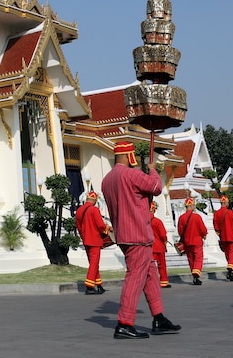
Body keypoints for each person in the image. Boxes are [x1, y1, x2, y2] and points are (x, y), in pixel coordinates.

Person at [101, 141, 180, 340]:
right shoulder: (132, 174)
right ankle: (125, 323)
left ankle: (158, 317)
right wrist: (152, 170)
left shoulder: (107, 179)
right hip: (138, 234)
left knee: (149, 275)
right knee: (135, 277)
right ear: (130, 156)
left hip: (123, 234)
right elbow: (155, 187)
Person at [75, 191, 110, 295]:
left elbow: (79, 227)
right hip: (95, 240)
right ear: (94, 200)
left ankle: (99, 285)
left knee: (93, 264)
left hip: (86, 240)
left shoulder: (79, 210)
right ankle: (89, 286)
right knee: (94, 263)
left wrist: (83, 237)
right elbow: (100, 225)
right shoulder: (94, 210)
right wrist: (108, 228)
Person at [177, 198, 207, 285]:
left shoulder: (181, 218)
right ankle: (196, 273)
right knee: (198, 257)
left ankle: (194, 276)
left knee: (191, 259)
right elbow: (202, 229)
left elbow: (180, 231)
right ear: (191, 206)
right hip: (197, 241)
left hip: (187, 242)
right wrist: (204, 234)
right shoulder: (197, 217)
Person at [213, 195, 233, 282]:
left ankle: (232, 272)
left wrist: (219, 233)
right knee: (232, 253)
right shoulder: (230, 212)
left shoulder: (216, 213)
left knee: (228, 254)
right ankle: (230, 268)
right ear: (225, 203)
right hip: (232, 236)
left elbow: (216, 226)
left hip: (223, 237)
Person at [149, 202, 170, 288]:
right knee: (161, 265)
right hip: (159, 246)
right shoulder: (157, 221)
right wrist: (165, 241)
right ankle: (163, 282)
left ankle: (150, 282)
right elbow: (162, 234)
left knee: (149, 266)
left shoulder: (143, 222)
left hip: (149, 246)